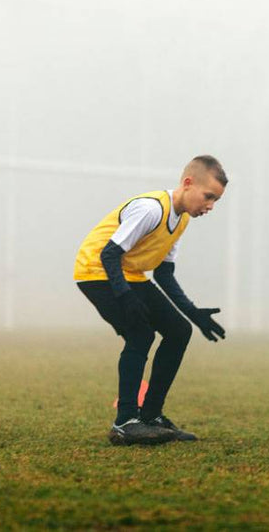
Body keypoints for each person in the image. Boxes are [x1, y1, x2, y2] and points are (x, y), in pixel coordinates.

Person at [74, 155, 228, 446]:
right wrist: (125, 297)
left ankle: (151, 416)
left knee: (179, 331)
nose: (210, 206)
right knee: (140, 334)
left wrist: (193, 313)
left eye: (216, 201)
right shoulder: (151, 209)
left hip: (129, 274)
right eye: (208, 197)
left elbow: (164, 273)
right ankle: (125, 423)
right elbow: (109, 254)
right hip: (95, 271)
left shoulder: (181, 219)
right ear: (187, 183)